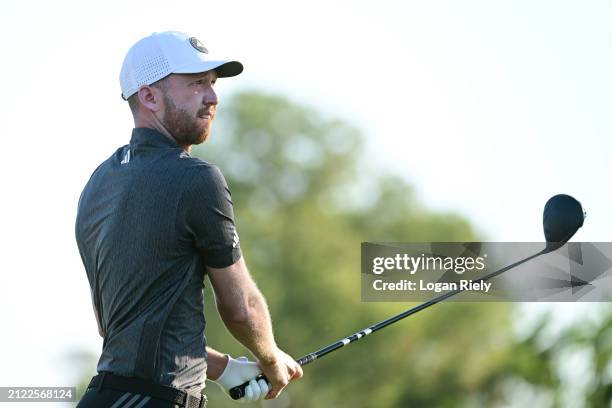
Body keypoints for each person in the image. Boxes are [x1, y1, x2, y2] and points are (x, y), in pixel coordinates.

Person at [75, 31, 303, 408]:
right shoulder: (196, 178)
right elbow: (240, 305)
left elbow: (120, 329)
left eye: (212, 84)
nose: (213, 97)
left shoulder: (99, 183)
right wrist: (270, 357)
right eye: (196, 84)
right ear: (149, 96)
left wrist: (224, 368)